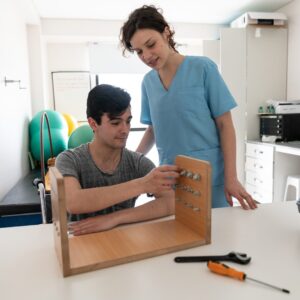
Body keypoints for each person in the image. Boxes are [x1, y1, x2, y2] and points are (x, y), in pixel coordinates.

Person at [120, 5, 257, 210]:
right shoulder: (148, 82)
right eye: (139, 51)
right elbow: (153, 130)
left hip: (211, 177)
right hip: (171, 178)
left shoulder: (203, 68)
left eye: (151, 45)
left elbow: (225, 125)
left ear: (166, 32)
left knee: (219, 236)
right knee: (178, 237)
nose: (147, 56)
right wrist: (129, 162)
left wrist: (232, 178)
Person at [55, 84, 179, 235]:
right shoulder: (69, 159)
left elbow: (171, 202)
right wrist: (142, 184)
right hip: (80, 242)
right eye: (115, 123)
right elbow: (73, 202)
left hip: (122, 241)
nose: (125, 130)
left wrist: (114, 219)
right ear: (93, 123)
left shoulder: (138, 163)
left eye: (128, 121)